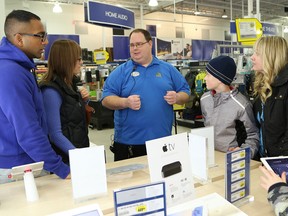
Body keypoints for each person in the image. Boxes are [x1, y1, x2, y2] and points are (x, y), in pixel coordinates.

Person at [0, 10, 70, 184]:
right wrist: (61, 168)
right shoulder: (11, 73)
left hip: (25, 162)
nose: (45, 41)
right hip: (20, 169)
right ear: (19, 39)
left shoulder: (20, 68)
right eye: (40, 36)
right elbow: (28, 130)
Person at [102, 28, 190, 161]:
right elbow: (106, 99)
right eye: (132, 45)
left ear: (150, 44)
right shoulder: (121, 71)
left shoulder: (168, 69)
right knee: (131, 182)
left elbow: (186, 92)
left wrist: (177, 97)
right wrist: (125, 102)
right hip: (128, 144)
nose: (135, 48)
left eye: (139, 44)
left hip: (162, 143)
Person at [39, 39, 90, 164]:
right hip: (65, 159)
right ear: (66, 60)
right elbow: (54, 134)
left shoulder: (71, 84)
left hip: (76, 152)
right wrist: (79, 156)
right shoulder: (51, 91)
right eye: (78, 59)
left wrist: (85, 101)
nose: (81, 62)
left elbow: (73, 118)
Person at [200, 55, 259, 158]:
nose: (205, 78)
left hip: (232, 161)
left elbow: (253, 135)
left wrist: (243, 153)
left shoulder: (241, 105)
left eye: (208, 75)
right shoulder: (204, 99)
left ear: (219, 78)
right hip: (210, 158)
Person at [252, 36, 288, 158]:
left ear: (271, 56)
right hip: (264, 160)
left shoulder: (285, 87)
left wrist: (280, 162)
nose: (252, 57)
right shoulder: (261, 85)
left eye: (257, 53)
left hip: (280, 166)